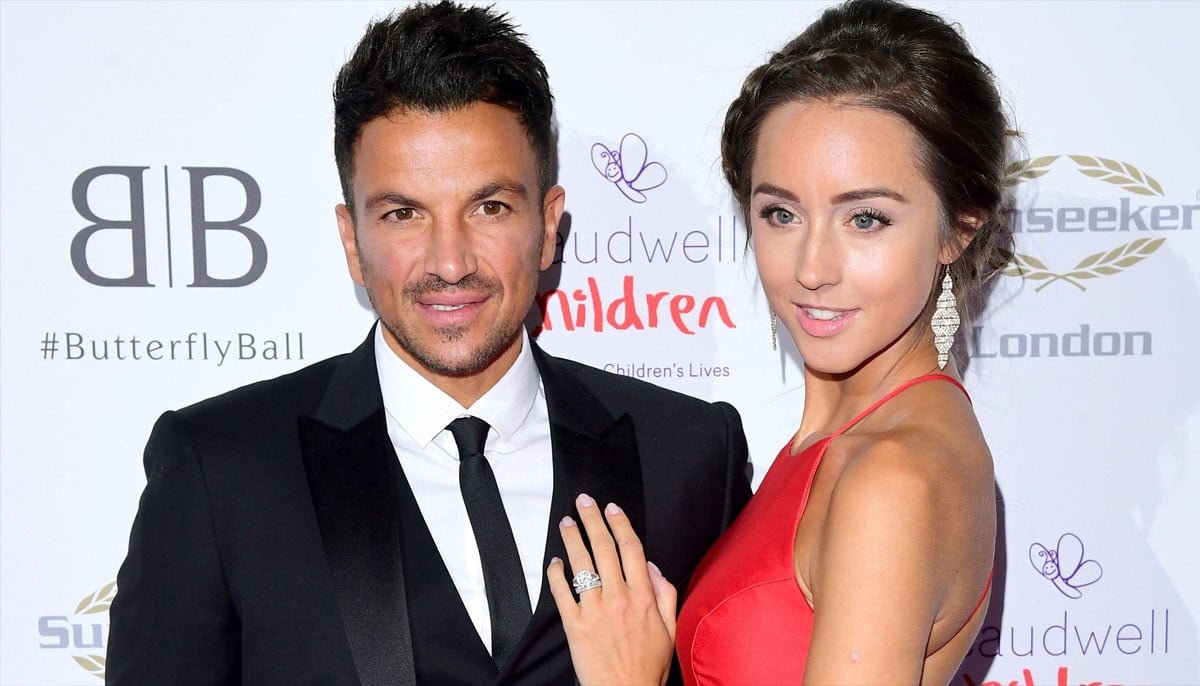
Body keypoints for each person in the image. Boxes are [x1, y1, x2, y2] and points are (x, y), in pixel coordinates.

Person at [105, 3, 751, 684]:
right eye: (403, 213)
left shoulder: (687, 453)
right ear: (352, 241)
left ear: (548, 226)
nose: (449, 262)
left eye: (489, 207)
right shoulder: (220, 467)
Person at [547, 0, 1009, 683]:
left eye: (866, 219)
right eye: (781, 213)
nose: (812, 268)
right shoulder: (856, 441)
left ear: (957, 229)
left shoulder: (889, 480)